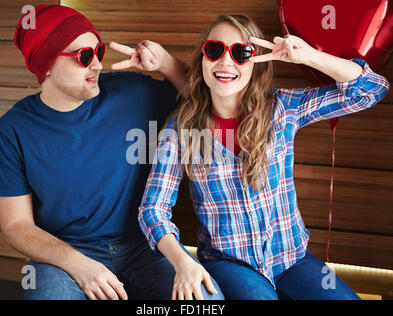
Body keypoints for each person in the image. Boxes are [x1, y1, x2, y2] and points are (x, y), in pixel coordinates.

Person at [0, 4, 224, 300]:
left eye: (98, 52)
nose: (96, 64)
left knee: (207, 301)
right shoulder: (12, 130)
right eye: (83, 57)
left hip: (145, 246)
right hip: (65, 254)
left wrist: (166, 63)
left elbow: (208, 103)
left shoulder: (133, 92)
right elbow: (17, 225)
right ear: (45, 65)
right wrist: (78, 265)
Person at [138, 14, 390, 300]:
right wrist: (183, 262)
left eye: (241, 53)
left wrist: (309, 56)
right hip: (229, 265)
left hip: (294, 259)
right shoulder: (180, 128)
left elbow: (371, 90)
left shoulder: (282, 109)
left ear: (256, 64)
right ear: (202, 60)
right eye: (214, 50)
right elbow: (153, 209)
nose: (226, 62)